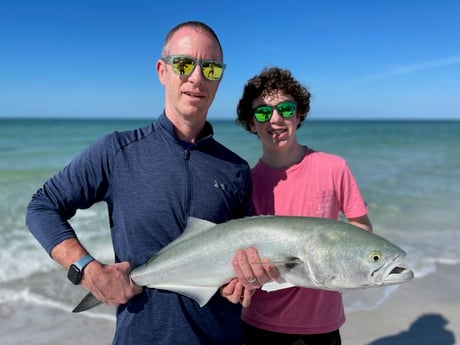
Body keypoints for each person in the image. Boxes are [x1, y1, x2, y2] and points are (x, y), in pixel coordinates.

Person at [25, 21, 272, 345]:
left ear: (219, 78)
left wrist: (245, 280)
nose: (197, 77)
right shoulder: (116, 151)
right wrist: (87, 269)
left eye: (210, 68)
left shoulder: (236, 169)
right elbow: (42, 206)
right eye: (184, 64)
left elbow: (240, 257)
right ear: (162, 71)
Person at [236, 67, 373, 345]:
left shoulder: (334, 168)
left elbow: (361, 226)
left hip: (322, 323)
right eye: (263, 112)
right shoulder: (246, 184)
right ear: (251, 123)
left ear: (298, 115)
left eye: (285, 109)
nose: (275, 119)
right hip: (259, 322)